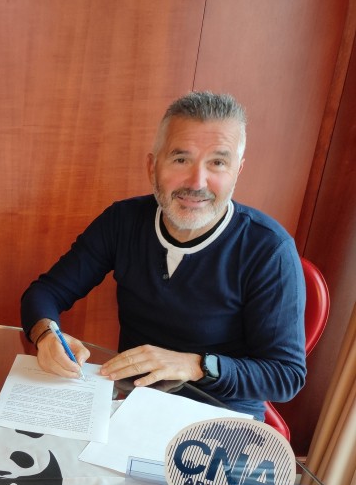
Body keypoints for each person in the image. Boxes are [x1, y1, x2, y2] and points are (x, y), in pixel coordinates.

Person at [21, 91, 306, 420]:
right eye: (181, 159)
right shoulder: (122, 221)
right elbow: (46, 292)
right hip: (131, 403)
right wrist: (46, 335)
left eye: (217, 163)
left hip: (220, 417)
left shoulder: (269, 248)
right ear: (152, 166)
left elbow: (285, 375)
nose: (197, 182)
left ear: (237, 171)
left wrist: (196, 365)